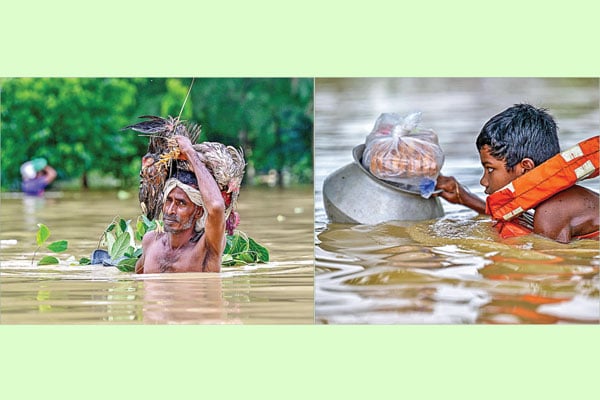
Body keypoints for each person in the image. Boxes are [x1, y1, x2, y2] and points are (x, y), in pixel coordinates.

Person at [435, 103, 599, 243]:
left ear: (526, 167)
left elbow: (549, 270)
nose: (484, 181)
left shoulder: (551, 212)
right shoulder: (555, 203)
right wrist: (465, 199)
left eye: (490, 169)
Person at [135, 135, 226, 273]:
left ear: (198, 212)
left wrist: (190, 152)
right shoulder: (151, 241)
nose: (171, 210)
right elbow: (136, 280)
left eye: (181, 203)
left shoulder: (206, 248)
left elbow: (216, 207)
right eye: (169, 200)